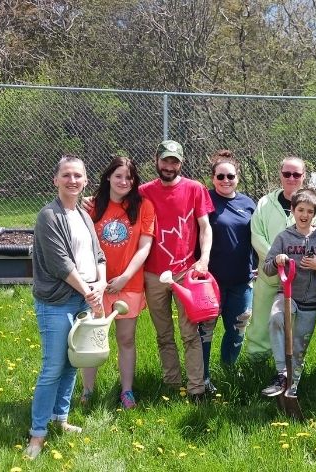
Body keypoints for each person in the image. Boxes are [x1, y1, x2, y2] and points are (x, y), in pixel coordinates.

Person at [26, 154, 106, 459]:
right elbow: (61, 264)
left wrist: (100, 284)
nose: (73, 181)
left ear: (86, 181)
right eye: (67, 175)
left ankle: (60, 420)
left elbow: (98, 256)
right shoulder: (49, 216)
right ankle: (37, 434)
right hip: (57, 302)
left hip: (83, 296)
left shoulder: (84, 215)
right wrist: (90, 293)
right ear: (56, 180)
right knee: (52, 366)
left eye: (78, 176)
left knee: (73, 363)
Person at [140, 140, 215, 400]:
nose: (169, 166)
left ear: (181, 163)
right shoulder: (144, 192)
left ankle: (196, 388)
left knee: (190, 333)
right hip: (153, 273)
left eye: (174, 161)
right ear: (156, 160)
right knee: (163, 334)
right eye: (165, 160)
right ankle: (171, 383)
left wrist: (203, 259)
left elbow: (205, 227)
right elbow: (116, 202)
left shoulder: (195, 189)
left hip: (185, 272)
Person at [81, 156, 154, 409]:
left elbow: (145, 247)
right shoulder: (92, 206)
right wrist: (98, 281)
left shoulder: (143, 206)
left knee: (126, 339)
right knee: (92, 337)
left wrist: (124, 277)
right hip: (95, 284)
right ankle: (88, 390)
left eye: (129, 177)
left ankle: (127, 391)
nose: (124, 181)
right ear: (108, 177)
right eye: (119, 176)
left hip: (129, 284)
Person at [248, 156, 316, 358]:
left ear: (304, 177)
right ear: (280, 175)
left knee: (293, 326)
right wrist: (276, 262)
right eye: (287, 174)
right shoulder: (265, 203)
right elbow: (257, 236)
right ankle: (257, 360)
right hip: (270, 276)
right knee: (261, 322)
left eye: (296, 174)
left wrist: (293, 266)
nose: (291, 178)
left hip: (301, 280)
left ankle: (286, 364)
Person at [260, 189, 316, 397]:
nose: (304, 215)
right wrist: (277, 260)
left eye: (309, 211)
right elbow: (267, 268)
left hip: (311, 300)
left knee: (300, 346)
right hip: (287, 294)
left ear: (314, 213)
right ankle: (281, 373)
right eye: (300, 210)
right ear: (292, 210)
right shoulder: (284, 237)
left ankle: (292, 386)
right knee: (275, 319)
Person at [201, 150, 256, 391]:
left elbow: (257, 236)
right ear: (212, 178)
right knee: (205, 331)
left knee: (238, 329)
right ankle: (202, 376)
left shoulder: (249, 203)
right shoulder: (204, 200)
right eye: (220, 177)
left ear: (238, 177)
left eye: (230, 176)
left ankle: (228, 369)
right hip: (209, 281)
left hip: (242, 280)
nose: (226, 181)